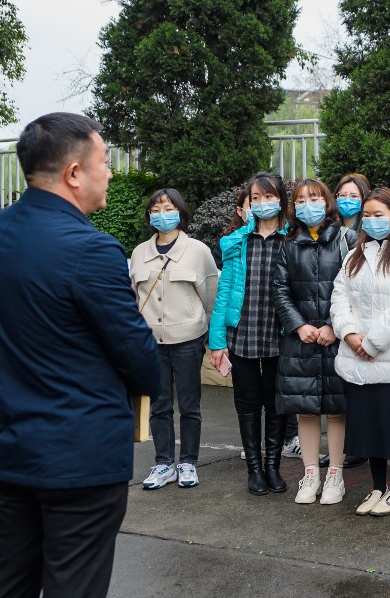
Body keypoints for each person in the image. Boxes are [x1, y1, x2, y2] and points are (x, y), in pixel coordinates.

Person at [0, 112, 159, 598]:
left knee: (9, 581)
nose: (110, 175)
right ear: (74, 173)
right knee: (72, 591)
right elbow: (138, 356)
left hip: (8, 441)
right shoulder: (89, 249)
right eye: (104, 163)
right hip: (78, 453)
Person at [331, 188, 390, 515]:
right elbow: (339, 297)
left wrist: (371, 343)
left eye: (379, 215)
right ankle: (376, 487)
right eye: (367, 215)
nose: (371, 221)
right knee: (368, 427)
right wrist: (349, 333)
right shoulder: (355, 254)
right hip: (356, 357)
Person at [273, 179, 356, 507]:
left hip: (337, 339)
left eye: (315, 198)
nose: (308, 205)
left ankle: (335, 474)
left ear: (327, 202)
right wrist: (299, 325)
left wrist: (336, 326)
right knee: (305, 411)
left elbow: (357, 289)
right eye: (301, 200)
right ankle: (310, 474)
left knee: (337, 411)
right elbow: (280, 290)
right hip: (301, 341)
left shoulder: (347, 239)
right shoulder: (288, 244)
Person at [130, 188, 219, 492]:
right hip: (150, 342)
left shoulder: (198, 251)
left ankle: (188, 461)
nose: (162, 215)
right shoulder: (140, 252)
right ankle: (163, 462)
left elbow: (210, 297)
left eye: (168, 208)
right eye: (156, 210)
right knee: (158, 404)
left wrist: (211, 337)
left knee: (190, 404)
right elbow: (133, 297)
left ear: (181, 212)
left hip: (188, 339)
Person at [209, 173, 291, 496]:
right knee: (247, 403)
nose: (261, 203)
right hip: (242, 333)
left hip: (278, 333)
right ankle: (254, 469)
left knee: (276, 402)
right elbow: (223, 293)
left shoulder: (291, 239)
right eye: (255, 198)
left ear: (280, 200)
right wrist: (217, 341)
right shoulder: (237, 242)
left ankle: (272, 466)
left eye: (268, 197)